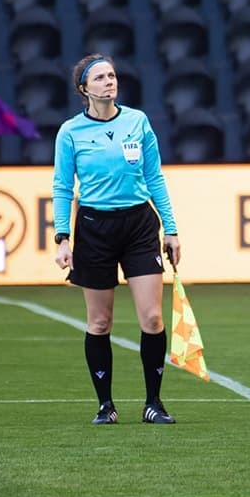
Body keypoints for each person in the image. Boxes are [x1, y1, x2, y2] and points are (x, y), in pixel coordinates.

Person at [52, 54, 181, 425]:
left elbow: (155, 177)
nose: (110, 81)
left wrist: (170, 229)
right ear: (84, 89)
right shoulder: (70, 132)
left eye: (112, 75)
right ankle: (106, 406)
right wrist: (63, 237)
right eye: (100, 78)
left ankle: (153, 403)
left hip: (139, 225)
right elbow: (62, 187)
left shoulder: (137, 121)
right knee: (100, 323)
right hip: (94, 229)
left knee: (153, 317)